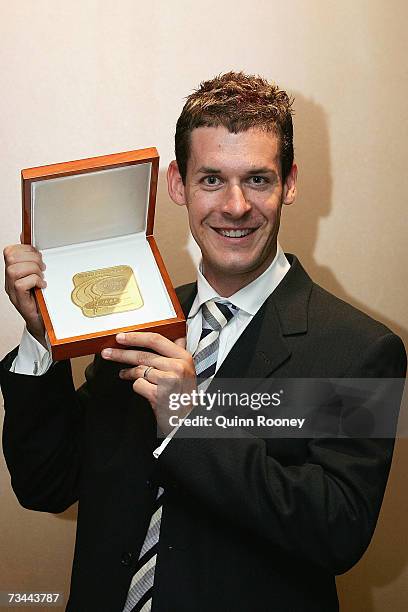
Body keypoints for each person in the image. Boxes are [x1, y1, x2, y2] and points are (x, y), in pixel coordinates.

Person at [1, 72, 406, 612]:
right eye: (211, 179)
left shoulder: (362, 350)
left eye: (258, 180)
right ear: (177, 184)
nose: (235, 206)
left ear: (289, 183)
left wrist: (193, 423)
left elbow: (338, 531)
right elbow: (45, 485)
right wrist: (39, 337)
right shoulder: (137, 321)